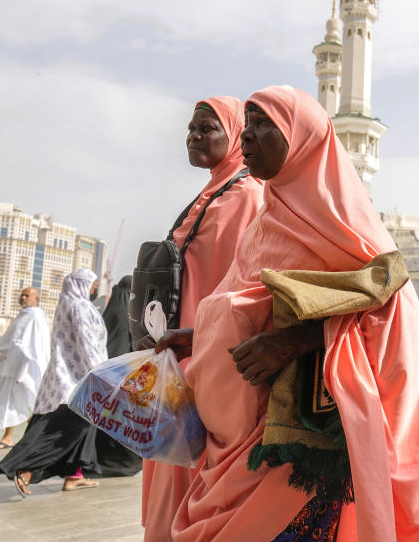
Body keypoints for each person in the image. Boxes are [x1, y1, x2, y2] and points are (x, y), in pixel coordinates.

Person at [157, 85, 419, 542]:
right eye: (246, 125)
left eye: (264, 123)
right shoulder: (265, 225)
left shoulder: (345, 226)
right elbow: (245, 302)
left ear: (303, 138)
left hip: (297, 444)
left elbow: (391, 316)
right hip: (235, 438)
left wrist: (299, 340)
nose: (247, 136)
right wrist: (197, 335)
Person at [140, 97, 264, 541]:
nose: (194, 136)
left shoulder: (246, 195)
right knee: (170, 479)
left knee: (197, 480)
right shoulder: (212, 192)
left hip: (209, 363)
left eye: (207, 128)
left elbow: (245, 284)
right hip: (175, 357)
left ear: (232, 137)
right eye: (191, 128)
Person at [0, 269, 108, 495]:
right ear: (83, 285)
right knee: (65, 431)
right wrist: (103, 372)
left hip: (65, 380)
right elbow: (88, 344)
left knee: (81, 426)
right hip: (78, 381)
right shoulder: (80, 307)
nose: (95, 289)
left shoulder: (66, 305)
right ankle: (26, 469)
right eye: (93, 284)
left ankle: (75, 475)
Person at [0, 287, 50, 450]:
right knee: (16, 403)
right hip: (11, 367)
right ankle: (10, 437)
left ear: (36, 299)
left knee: (26, 402)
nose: (23, 297)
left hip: (24, 369)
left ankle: (25, 438)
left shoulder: (36, 318)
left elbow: (33, 347)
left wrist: (23, 368)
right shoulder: (23, 316)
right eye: (22, 294)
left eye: (27, 295)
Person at [93, 275, 143, 477]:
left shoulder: (109, 312)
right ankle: (122, 462)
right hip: (124, 378)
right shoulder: (129, 314)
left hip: (105, 376)